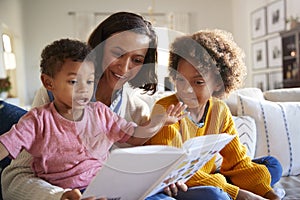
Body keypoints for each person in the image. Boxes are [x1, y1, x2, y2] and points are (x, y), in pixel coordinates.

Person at [1, 12, 187, 200]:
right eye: (117, 53)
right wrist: (61, 196)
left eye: (137, 60)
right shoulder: (51, 99)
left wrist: (162, 177)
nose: (124, 68)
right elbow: (14, 178)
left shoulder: (138, 110)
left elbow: (136, 165)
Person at [145, 29, 283, 200]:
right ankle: (225, 189)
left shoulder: (220, 110)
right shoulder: (166, 109)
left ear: (218, 83)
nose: (186, 89)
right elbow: (175, 170)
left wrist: (269, 195)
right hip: (181, 184)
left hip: (210, 176)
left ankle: (225, 187)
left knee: (273, 165)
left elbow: (238, 162)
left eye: (198, 82)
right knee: (215, 195)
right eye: (180, 80)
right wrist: (240, 194)